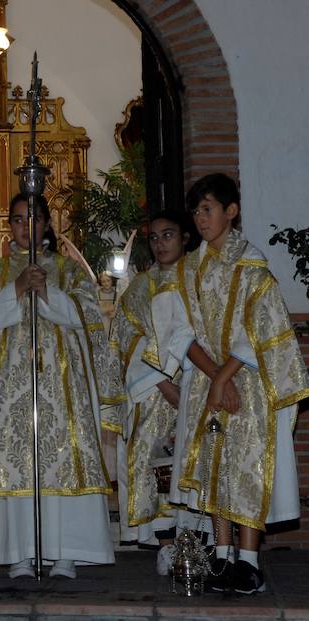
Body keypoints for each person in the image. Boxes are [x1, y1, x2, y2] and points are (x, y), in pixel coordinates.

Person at [0, 193, 123, 579]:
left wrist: (46, 291)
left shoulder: (71, 271)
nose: (24, 226)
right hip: (12, 389)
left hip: (62, 387)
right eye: (16, 219)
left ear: (47, 223)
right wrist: (15, 289)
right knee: (17, 465)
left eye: (32, 218)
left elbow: (88, 319)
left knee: (61, 461)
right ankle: (19, 552)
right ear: (10, 225)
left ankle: (66, 552)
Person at [165, 173, 309, 594]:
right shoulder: (187, 268)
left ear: (231, 211)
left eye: (207, 209)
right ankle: (222, 553)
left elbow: (260, 328)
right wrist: (213, 378)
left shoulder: (252, 266)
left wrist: (225, 377)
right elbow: (177, 331)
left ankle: (248, 561)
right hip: (210, 381)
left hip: (248, 385)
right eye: (196, 210)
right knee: (214, 466)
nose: (200, 218)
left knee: (244, 467)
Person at [109, 210, 208, 575]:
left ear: (185, 238)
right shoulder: (139, 288)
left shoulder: (200, 279)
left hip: (199, 386)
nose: (160, 242)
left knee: (197, 462)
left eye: (168, 235)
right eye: (154, 237)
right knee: (157, 463)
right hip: (153, 393)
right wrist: (166, 385)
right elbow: (127, 341)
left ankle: (200, 542)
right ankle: (166, 544)